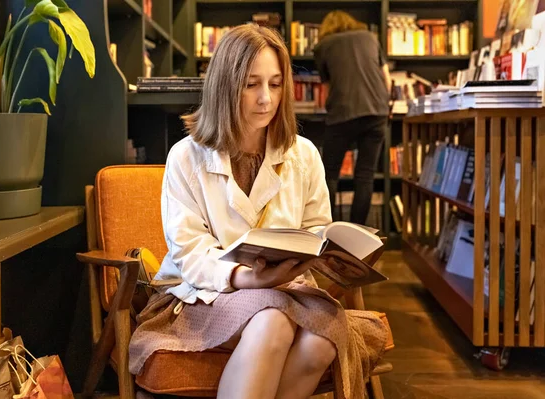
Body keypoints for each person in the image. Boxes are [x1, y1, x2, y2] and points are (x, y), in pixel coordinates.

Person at [128, 24, 388, 399]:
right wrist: (245, 278)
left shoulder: (304, 154)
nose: (266, 98)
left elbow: (317, 229)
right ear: (225, 86)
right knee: (273, 323)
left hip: (288, 289)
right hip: (203, 294)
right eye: (251, 84)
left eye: (276, 84)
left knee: (322, 342)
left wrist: (328, 258)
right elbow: (190, 253)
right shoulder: (186, 157)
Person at [313, 11, 392, 224]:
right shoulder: (369, 37)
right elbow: (387, 79)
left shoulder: (323, 46)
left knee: (328, 174)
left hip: (343, 113)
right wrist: (386, 106)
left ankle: (326, 231)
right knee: (365, 175)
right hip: (377, 111)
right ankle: (358, 234)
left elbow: (328, 88)